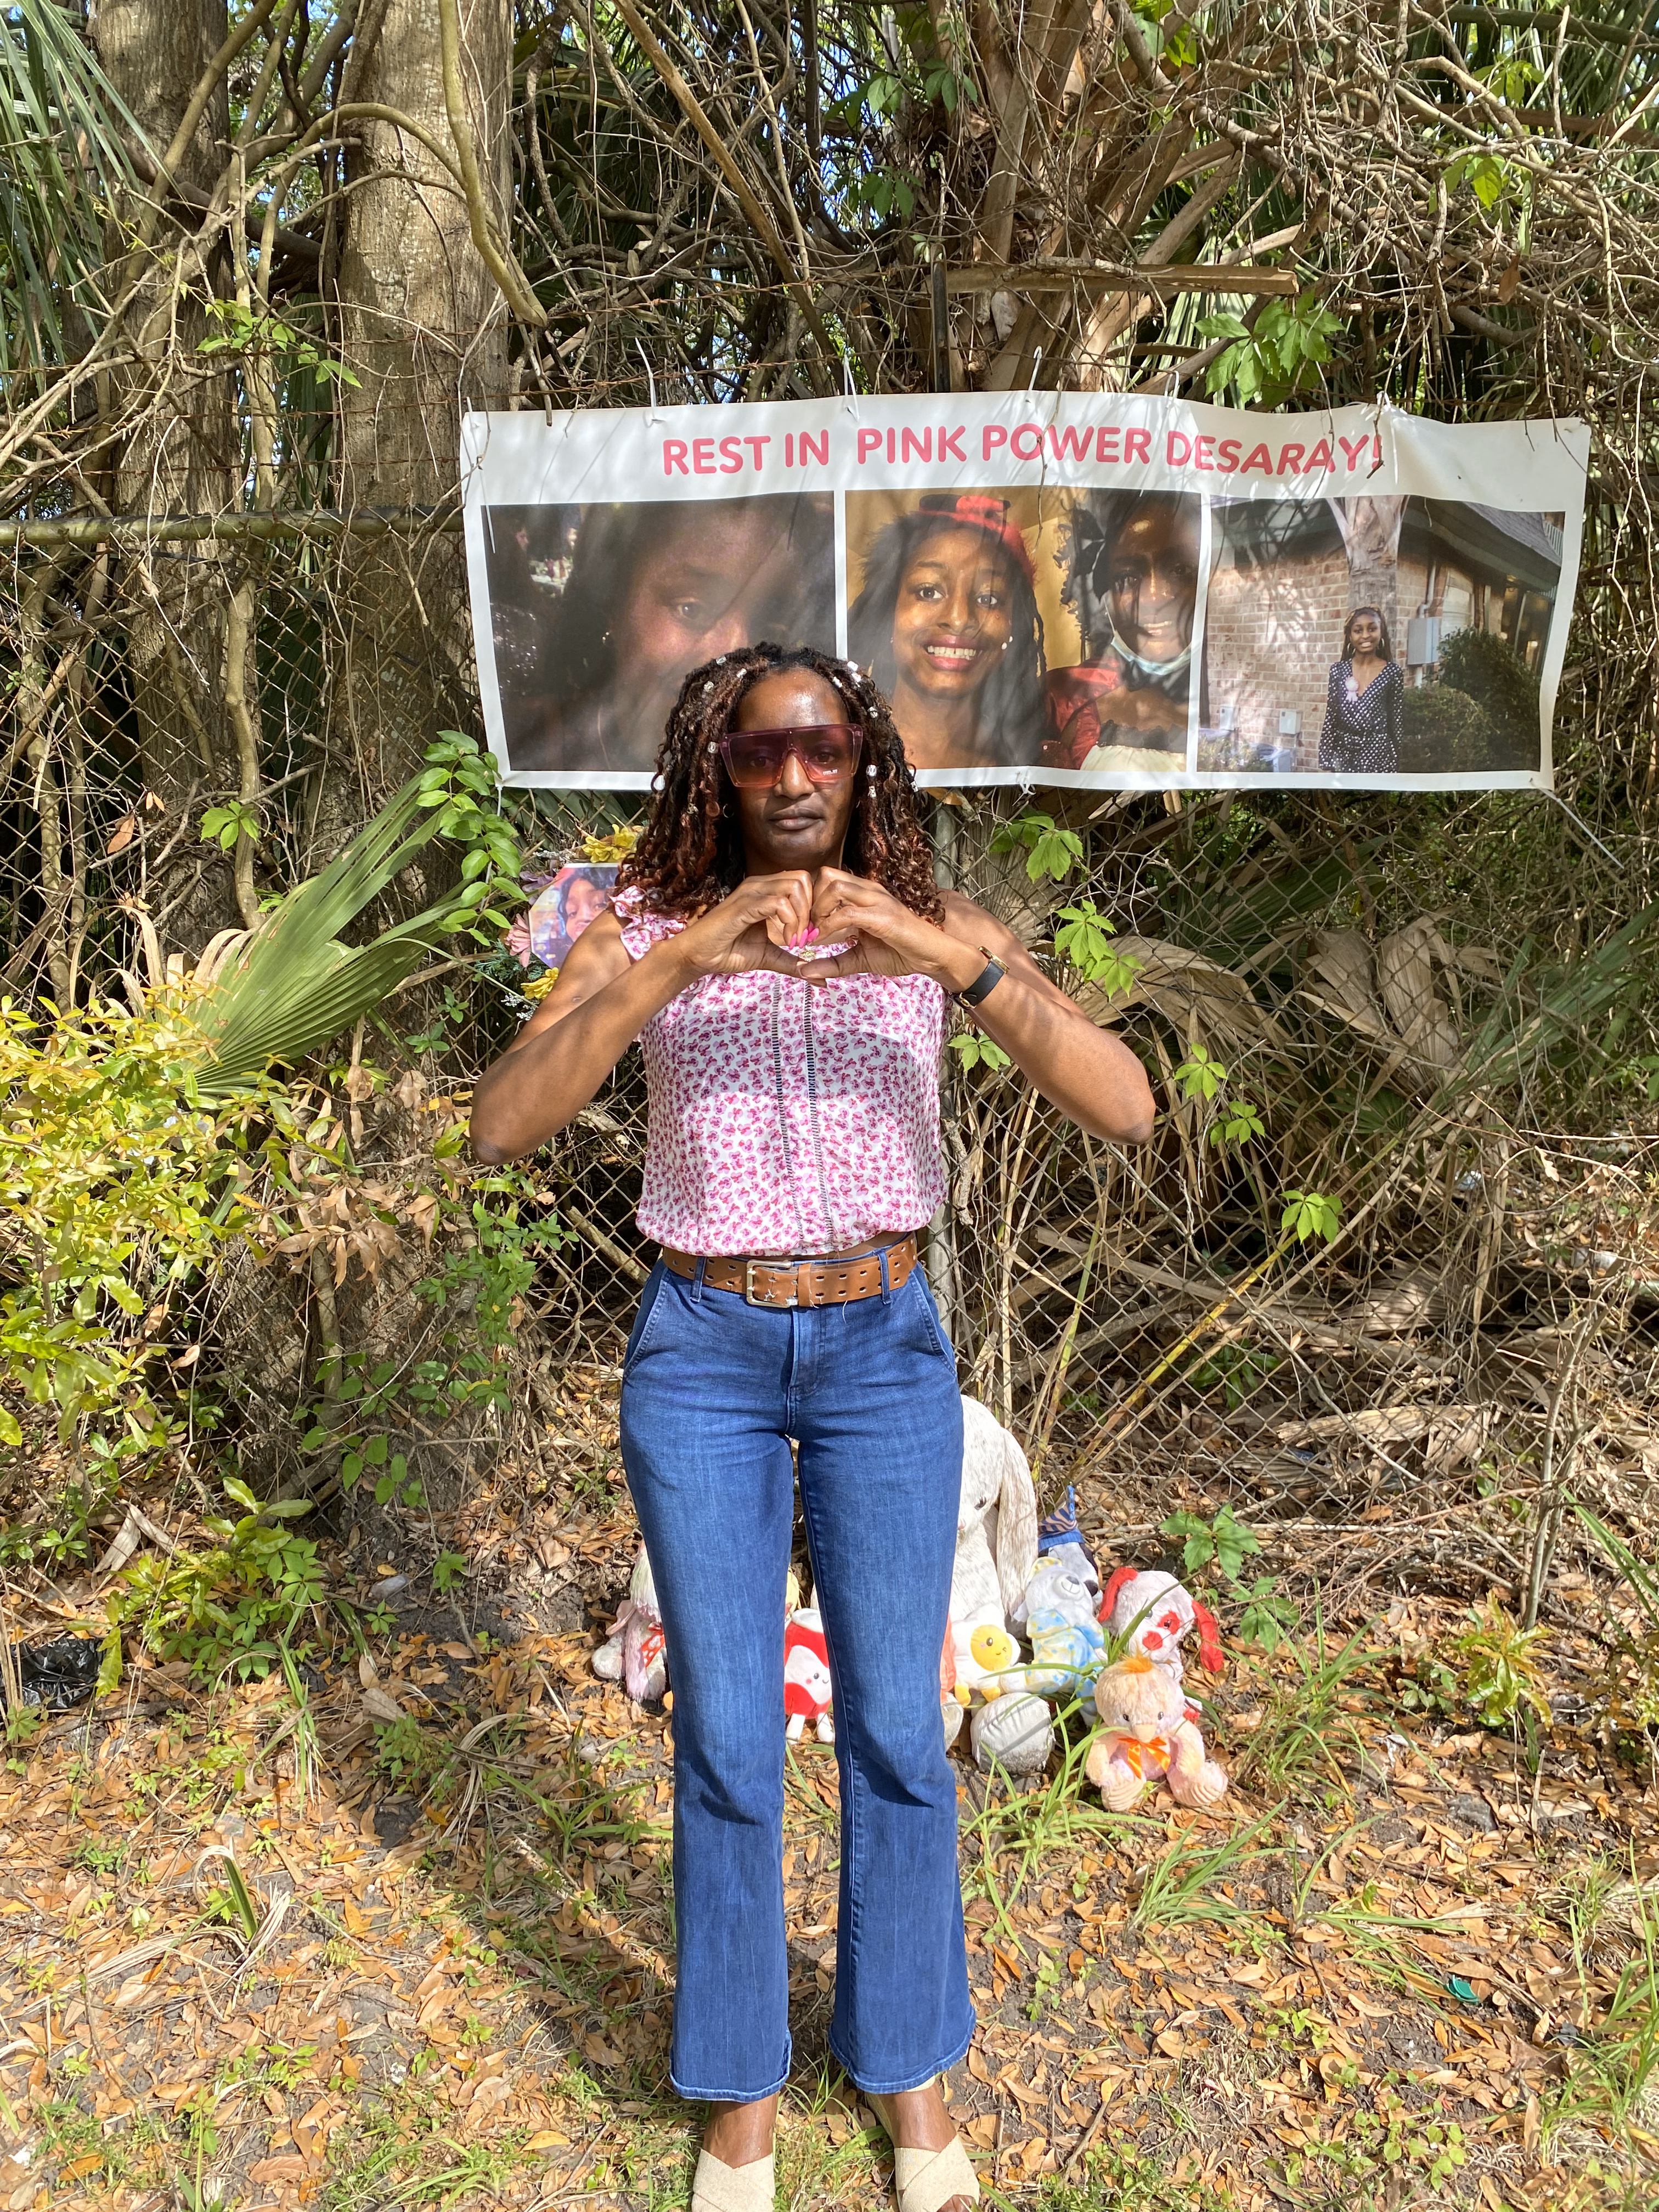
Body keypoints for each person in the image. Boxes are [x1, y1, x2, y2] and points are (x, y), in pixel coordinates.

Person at [470, 641, 1154, 2212]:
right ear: (716, 766)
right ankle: (739, 2100)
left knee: (899, 1731)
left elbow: (1121, 1100)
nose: (791, 774)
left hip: (881, 1349)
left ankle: (907, 2069)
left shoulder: (934, 928)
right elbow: (504, 1125)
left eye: (822, 746)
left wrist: (933, 951)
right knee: (723, 1736)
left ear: (863, 761)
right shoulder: (635, 924)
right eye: (759, 749)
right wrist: (677, 963)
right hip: (703, 1349)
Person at [496, 496, 836, 774]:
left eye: (769, 628)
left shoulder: (797, 779)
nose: (733, 651)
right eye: (691, 610)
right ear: (615, 599)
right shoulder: (535, 750)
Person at [847, 492, 1047, 771]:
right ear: (888, 614)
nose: (959, 619)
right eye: (928, 591)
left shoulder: (1034, 767)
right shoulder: (842, 755)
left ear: (1014, 626)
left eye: (988, 598)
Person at [1046, 492, 1201, 774]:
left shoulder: (1243, 697)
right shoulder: (1057, 700)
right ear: (1105, 600)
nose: (1154, 597)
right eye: (1128, 578)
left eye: (1180, 570)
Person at [1318, 606, 1403, 772]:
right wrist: (1326, 761)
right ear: (1350, 636)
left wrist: (1397, 761)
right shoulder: (1338, 671)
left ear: (1381, 632)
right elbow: (1331, 717)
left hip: (1379, 757)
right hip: (1343, 757)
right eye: (1358, 631)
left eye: (1372, 629)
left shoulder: (1393, 672)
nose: (1365, 635)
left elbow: (1396, 721)